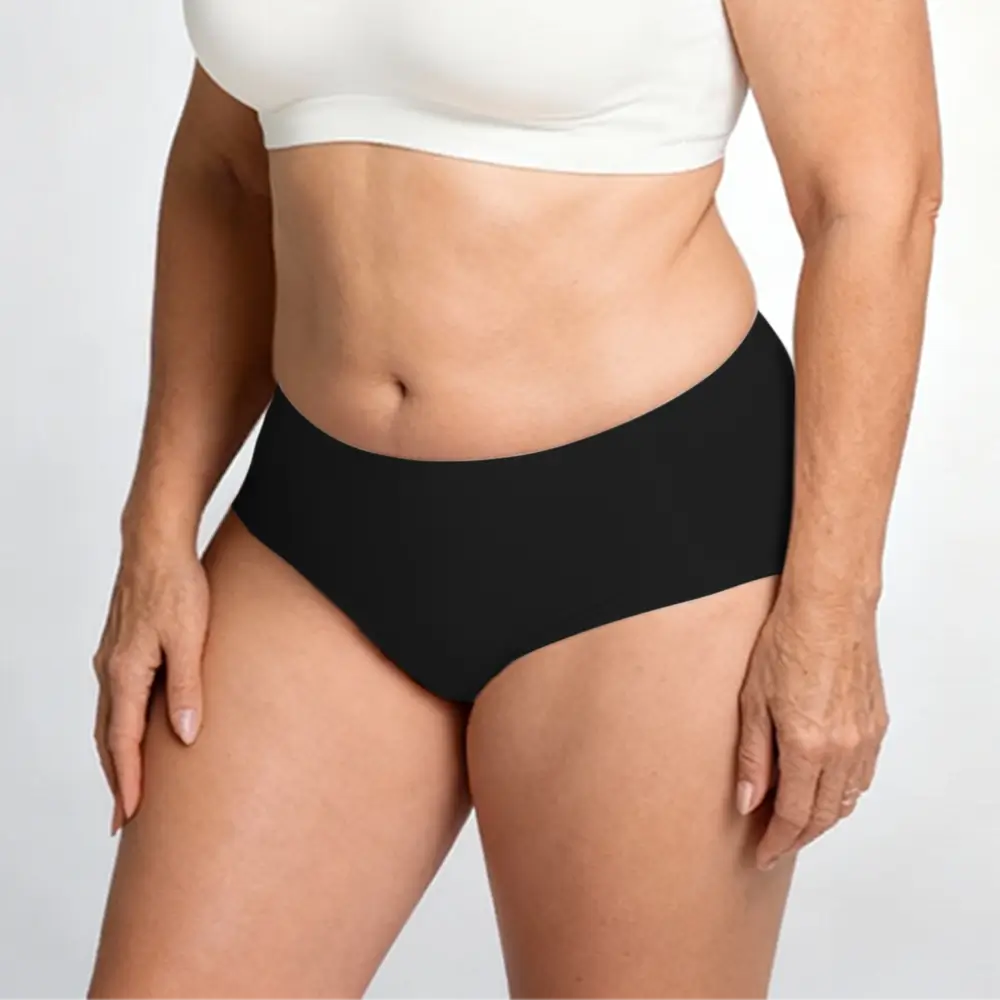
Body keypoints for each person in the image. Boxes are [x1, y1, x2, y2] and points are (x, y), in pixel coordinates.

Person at [87, 0, 941, 996]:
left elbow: (874, 200)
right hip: (316, 525)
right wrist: (155, 528)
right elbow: (227, 173)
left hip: (649, 542)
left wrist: (832, 610)